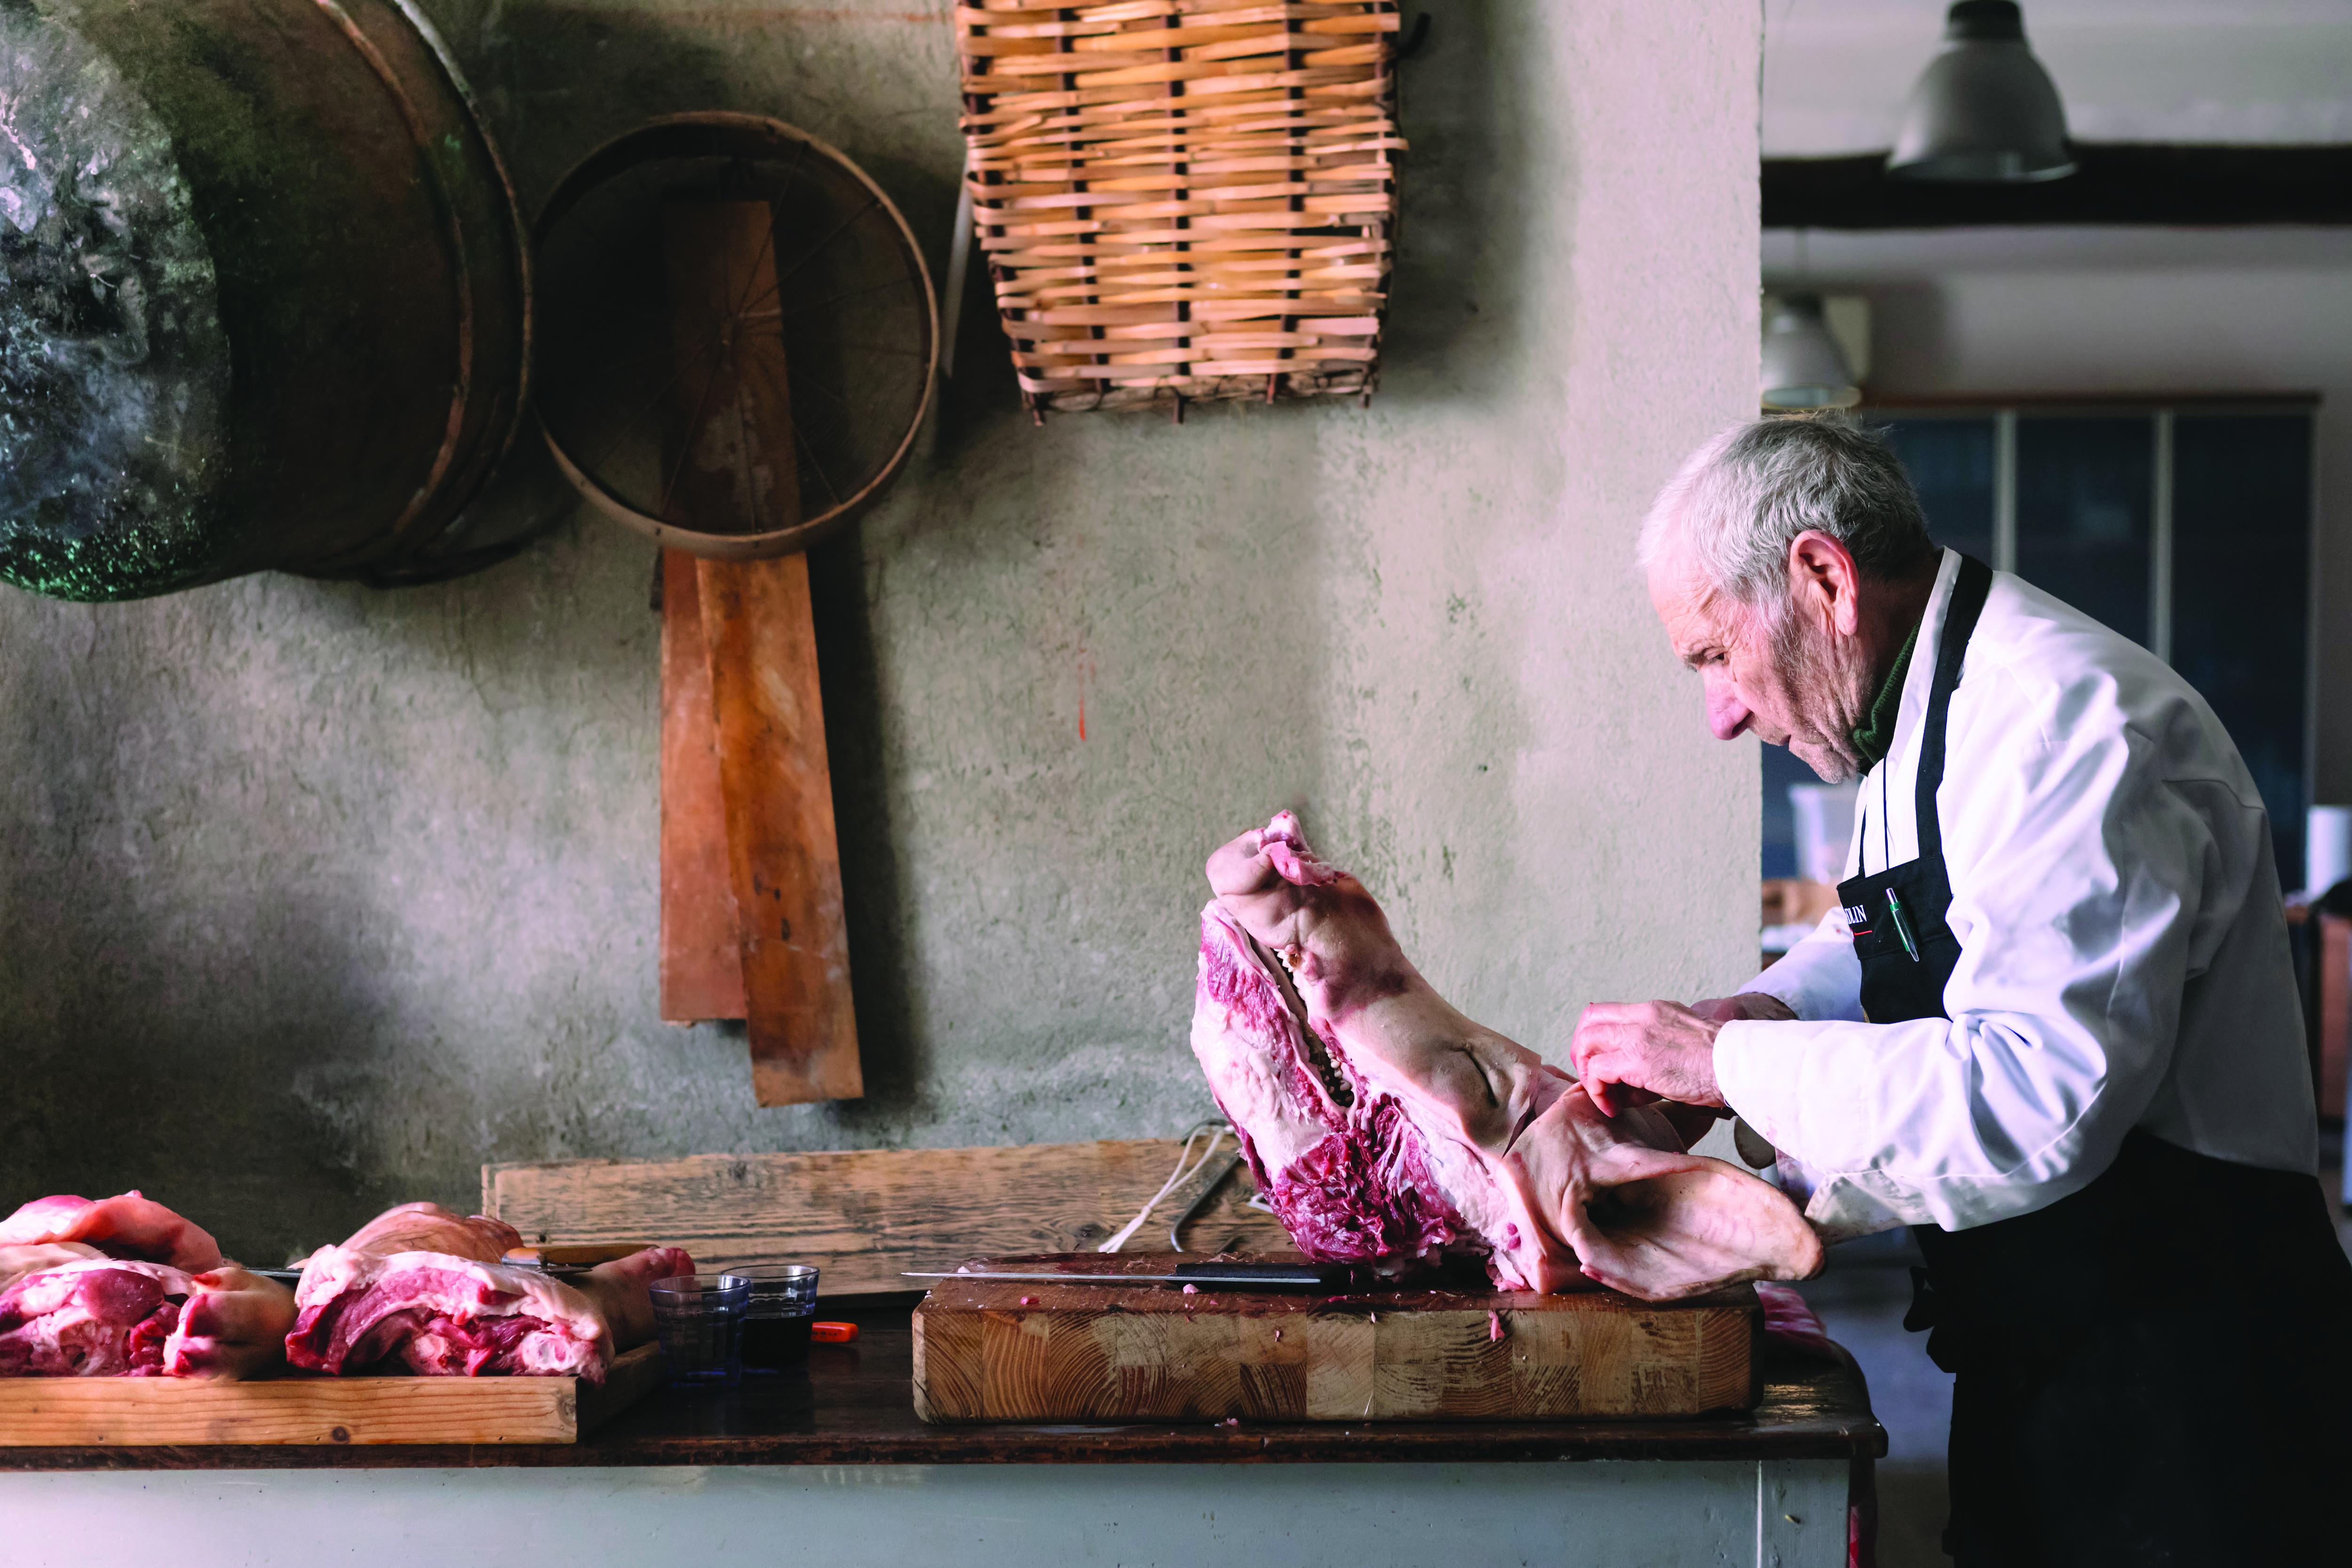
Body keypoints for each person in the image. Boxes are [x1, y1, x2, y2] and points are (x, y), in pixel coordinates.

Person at [1569, 414, 2352, 1566]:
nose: (1721, 710)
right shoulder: (1916, 707)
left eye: (1711, 654)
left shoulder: (2058, 717)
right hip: (2055, 1346)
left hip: (2197, 1385)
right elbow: (1902, 930)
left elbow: (2035, 1098)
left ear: (1823, 578)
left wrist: (1725, 1066)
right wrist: (1759, 1015)